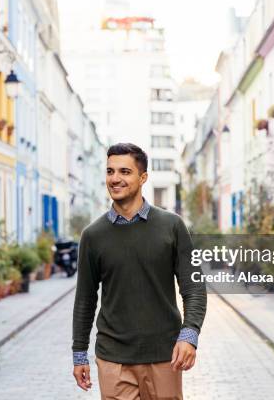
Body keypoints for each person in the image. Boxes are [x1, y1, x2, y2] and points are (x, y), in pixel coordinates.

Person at [72, 143, 207, 400]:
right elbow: (85, 300)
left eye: (124, 171)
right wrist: (79, 354)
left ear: (143, 177)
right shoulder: (93, 235)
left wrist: (189, 336)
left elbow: (194, 287)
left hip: (164, 356)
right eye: (110, 171)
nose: (115, 178)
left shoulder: (172, 226)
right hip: (113, 359)